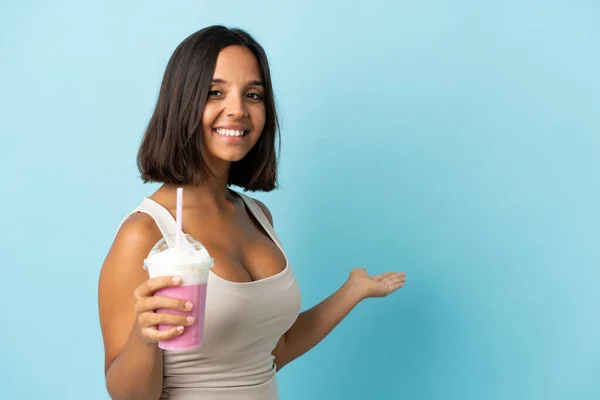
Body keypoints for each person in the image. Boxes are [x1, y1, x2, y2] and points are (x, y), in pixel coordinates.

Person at [98, 25, 406, 400]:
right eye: (215, 92)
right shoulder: (144, 234)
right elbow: (128, 396)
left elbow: (275, 350)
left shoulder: (256, 215)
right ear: (182, 101)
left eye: (253, 95)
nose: (238, 110)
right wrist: (146, 336)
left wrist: (352, 291)